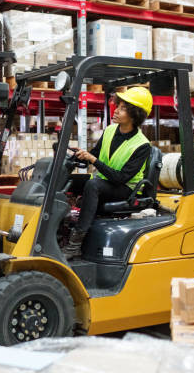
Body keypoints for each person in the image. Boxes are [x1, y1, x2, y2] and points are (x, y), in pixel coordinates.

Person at [61, 86, 153, 260]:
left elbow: (119, 178)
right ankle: (60, 224)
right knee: (69, 179)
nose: (116, 110)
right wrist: (79, 156)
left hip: (126, 189)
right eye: (118, 105)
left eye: (123, 108)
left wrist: (93, 161)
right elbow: (95, 155)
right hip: (106, 180)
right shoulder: (110, 130)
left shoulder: (142, 145)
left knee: (93, 185)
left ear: (135, 115)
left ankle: (75, 244)